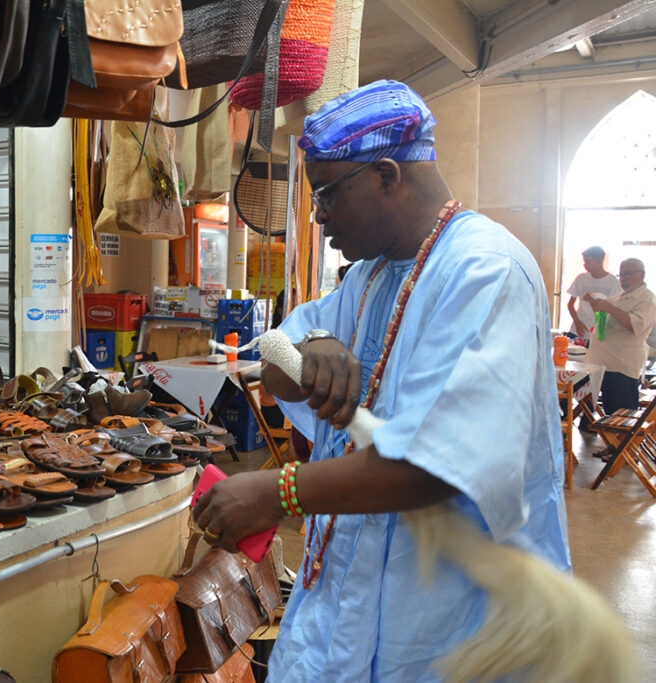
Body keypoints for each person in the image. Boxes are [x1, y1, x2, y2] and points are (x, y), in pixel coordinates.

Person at [193, 80, 569, 681]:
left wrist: (275, 492)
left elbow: (432, 466)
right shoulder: (368, 275)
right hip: (349, 607)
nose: (318, 218)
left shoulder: (484, 271)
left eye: (327, 197)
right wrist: (310, 348)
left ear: (387, 176)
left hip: (448, 620)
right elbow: (274, 358)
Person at [584, 258, 656, 424]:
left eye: (628, 274)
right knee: (609, 413)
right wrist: (595, 303)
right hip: (603, 363)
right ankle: (612, 447)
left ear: (642, 275)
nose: (623, 279)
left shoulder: (647, 299)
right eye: (621, 275)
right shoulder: (620, 297)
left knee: (622, 416)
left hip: (621, 365)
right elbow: (604, 312)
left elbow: (633, 325)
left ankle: (622, 448)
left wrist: (608, 307)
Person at [566, 245, 621, 339]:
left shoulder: (613, 282)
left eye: (588, 261)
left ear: (600, 262)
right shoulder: (581, 278)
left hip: (599, 332)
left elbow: (615, 308)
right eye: (584, 261)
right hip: (578, 330)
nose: (585, 264)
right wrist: (577, 322)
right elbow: (570, 304)